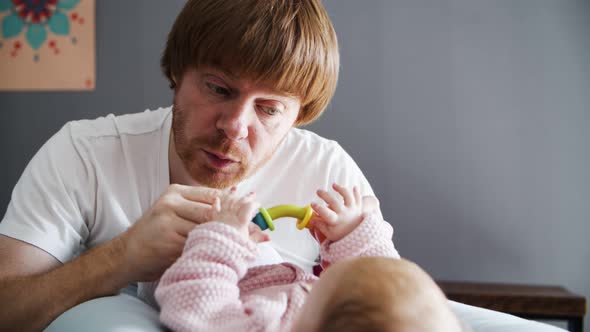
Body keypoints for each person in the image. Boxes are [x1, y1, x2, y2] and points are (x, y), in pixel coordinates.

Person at [0, 0, 399, 330]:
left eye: (269, 109)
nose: (235, 126)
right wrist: (122, 257)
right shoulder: (85, 153)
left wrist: (357, 236)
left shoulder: (327, 172)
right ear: (177, 71)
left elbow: (396, 304)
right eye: (218, 89)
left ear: (299, 115)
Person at [154, 186, 463, 332]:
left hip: (227, 277)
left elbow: (196, 304)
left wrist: (222, 236)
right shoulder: (326, 314)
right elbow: (380, 272)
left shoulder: (266, 326)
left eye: (323, 280)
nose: (316, 278)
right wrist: (351, 230)